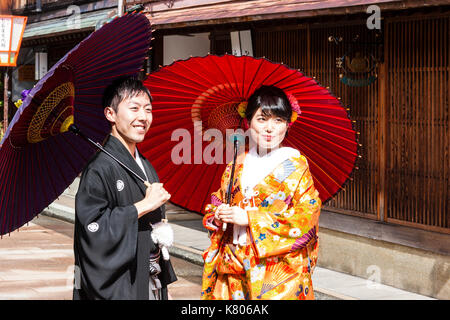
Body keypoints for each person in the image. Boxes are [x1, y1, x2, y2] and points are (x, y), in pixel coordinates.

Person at [201, 85, 321, 300]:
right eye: (262, 119)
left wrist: (249, 218)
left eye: (278, 120)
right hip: (235, 265)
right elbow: (218, 200)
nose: (270, 128)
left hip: (275, 273)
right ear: (248, 122)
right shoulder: (238, 162)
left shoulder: (294, 163)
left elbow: (307, 217)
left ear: (287, 124)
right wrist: (219, 214)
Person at [73, 77, 177, 300]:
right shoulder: (99, 168)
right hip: (122, 285)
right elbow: (93, 228)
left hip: (148, 276)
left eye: (148, 109)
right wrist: (143, 206)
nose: (143, 117)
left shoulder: (144, 163)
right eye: (134, 108)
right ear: (110, 114)